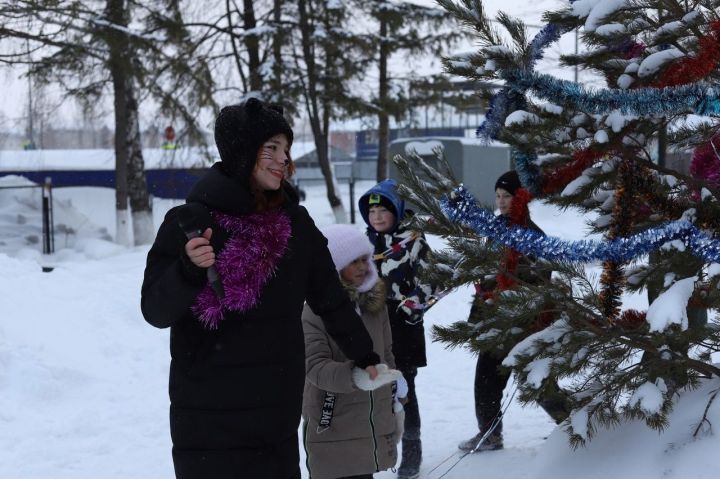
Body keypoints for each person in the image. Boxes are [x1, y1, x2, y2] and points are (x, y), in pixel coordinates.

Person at [141, 98, 381, 479]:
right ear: (241, 152)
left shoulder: (295, 224)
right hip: (206, 419)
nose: (282, 159)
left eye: (285, 149)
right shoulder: (190, 222)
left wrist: (364, 354)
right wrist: (187, 270)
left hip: (274, 416)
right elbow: (155, 310)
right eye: (270, 148)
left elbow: (329, 298)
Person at [458, 170, 570, 453]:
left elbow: (542, 276)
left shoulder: (531, 234)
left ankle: (572, 427)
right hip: (495, 320)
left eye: (507, 196)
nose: (501, 201)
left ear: (520, 197)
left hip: (522, 323)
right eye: (497, 196)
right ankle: (490, 434)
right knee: (486, 380)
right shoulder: (497, 229)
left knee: (539, 382)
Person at [302, 224, 408, 479]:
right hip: (334, 424)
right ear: (334, 267)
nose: (362, 267)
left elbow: (387, 354)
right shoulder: (314, 312)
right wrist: (356, 376)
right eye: (354, 262)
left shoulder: (376, 307)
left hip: (370, 422)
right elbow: (314, 367)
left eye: (365, 259)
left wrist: (395, 395)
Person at [358, 179, 434, 479]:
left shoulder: (413, 241)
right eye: (372, 211)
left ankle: (412, 451)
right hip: (372, 327)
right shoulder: (364, 243)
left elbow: (435, 278)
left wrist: (412, 308)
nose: (376, 217)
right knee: (375, 388)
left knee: (404, 391)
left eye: (383, 210)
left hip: (403, 326)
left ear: (396, 211)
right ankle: (380, 447)